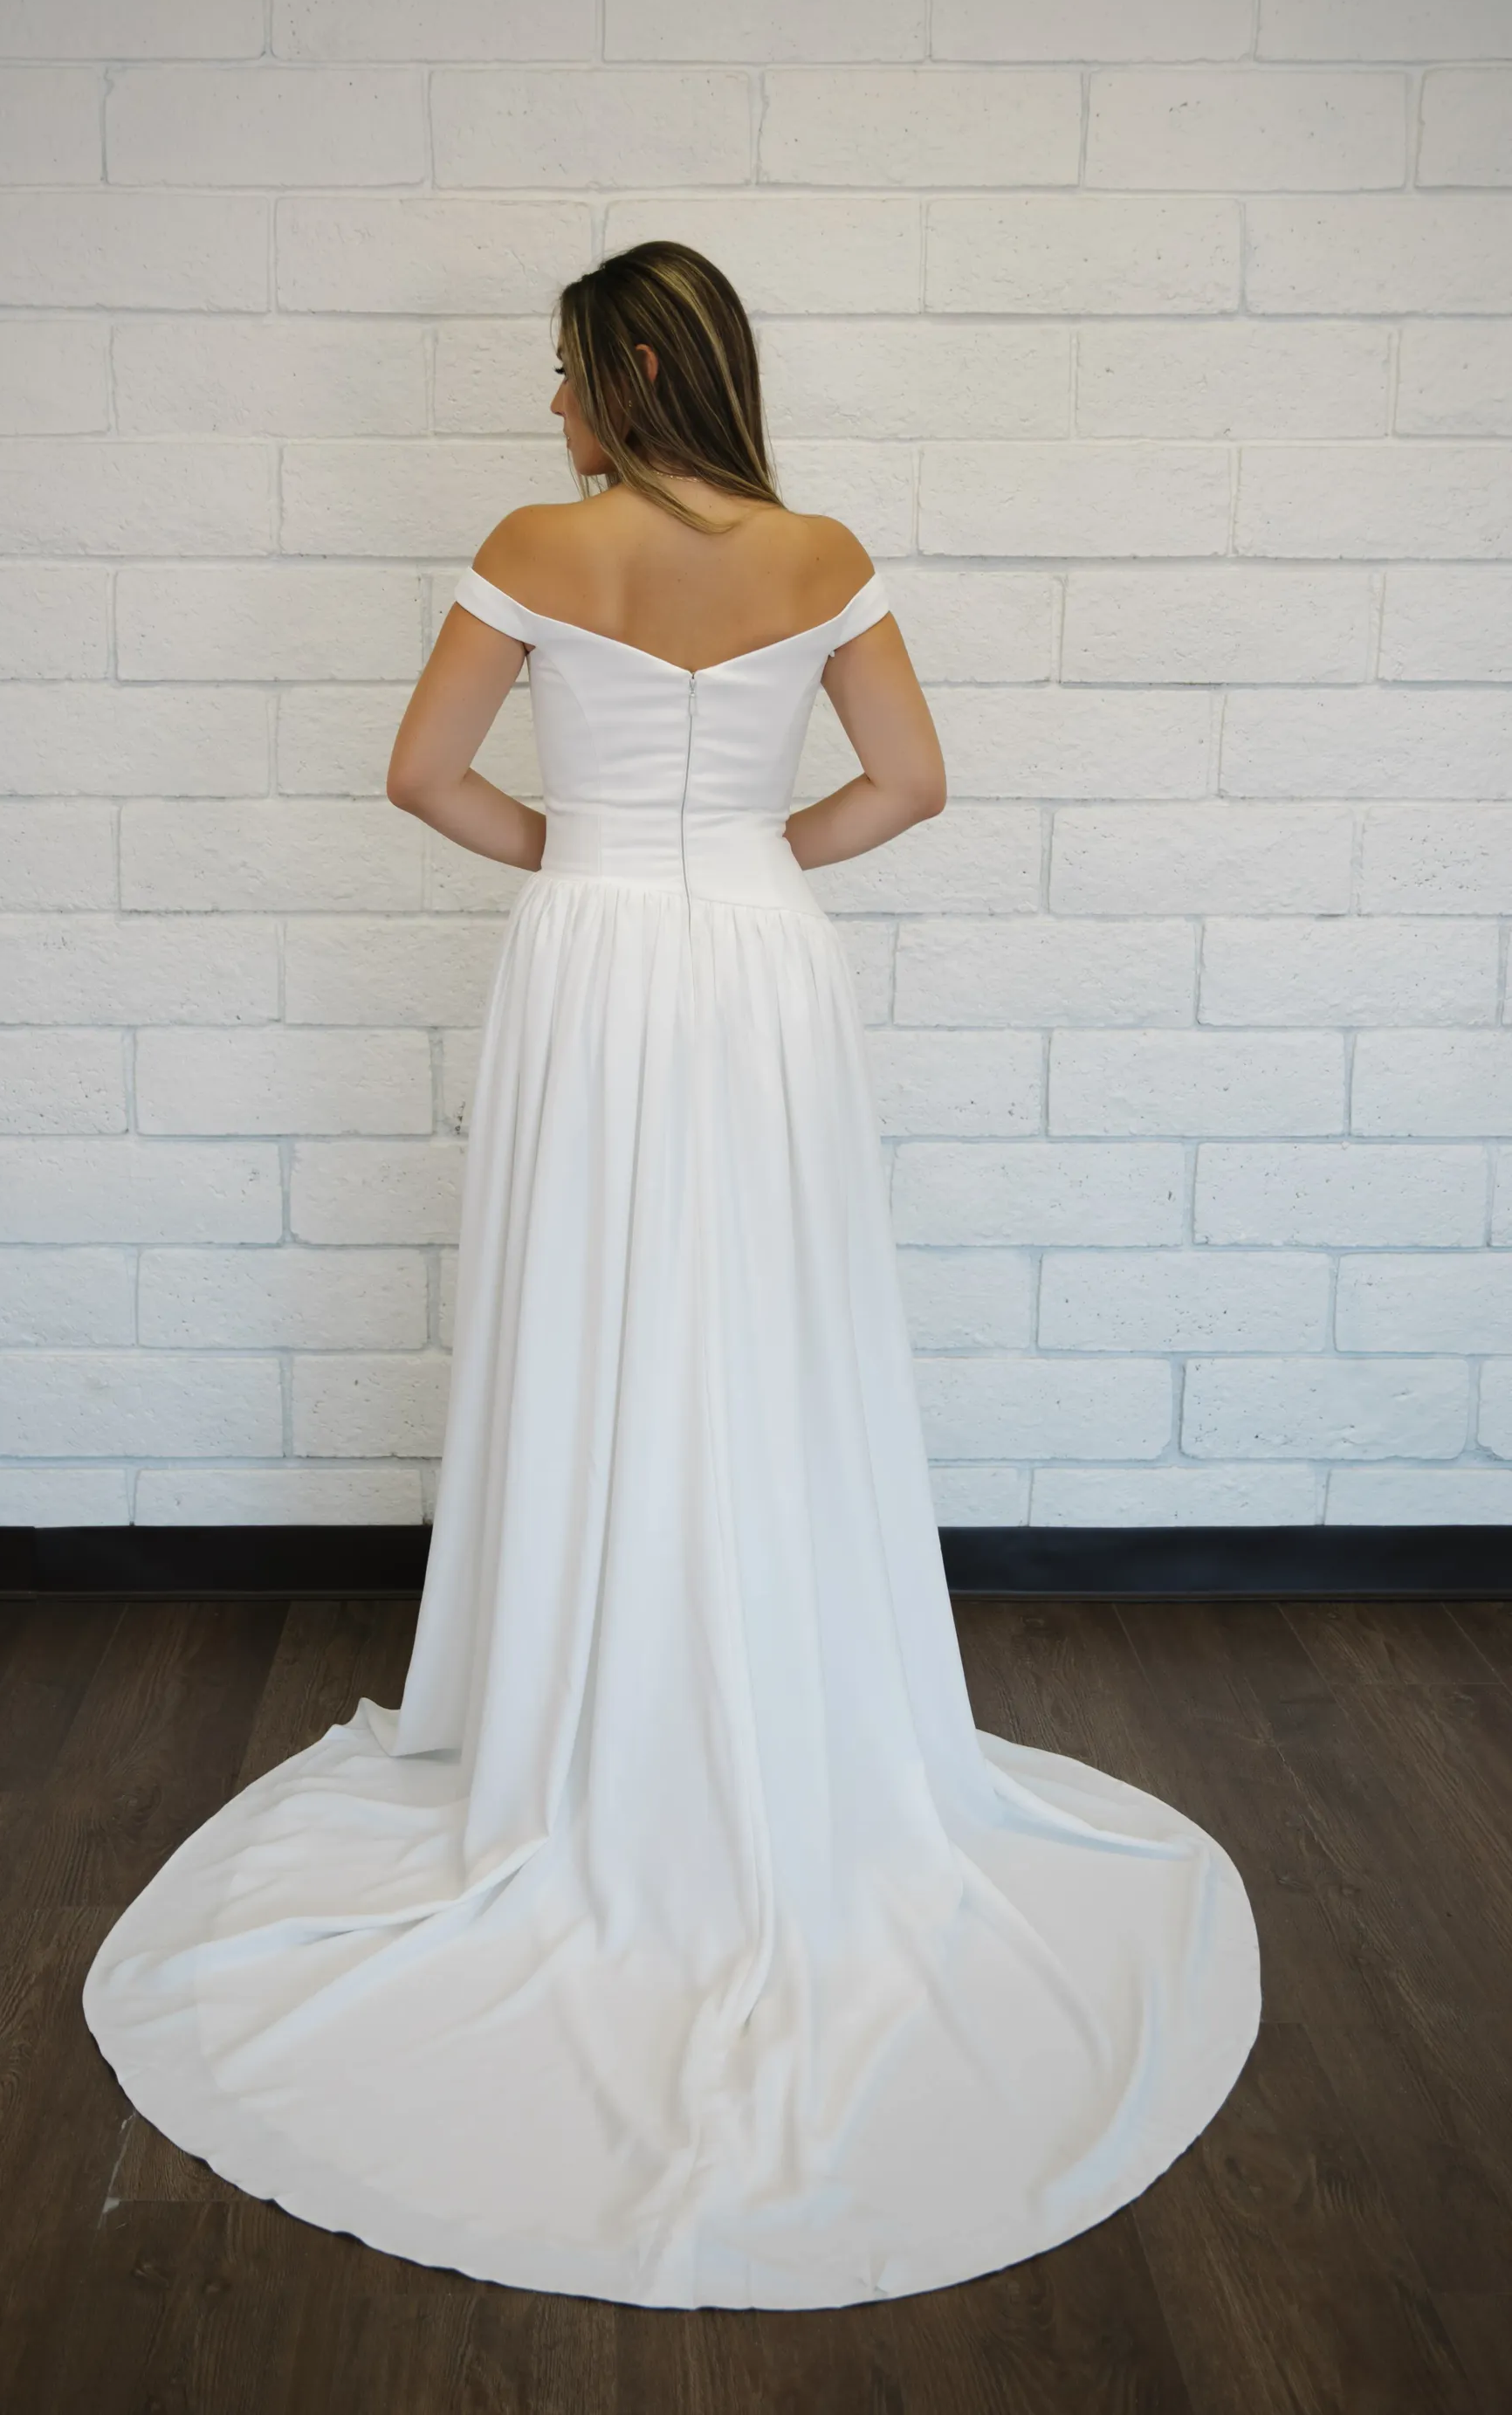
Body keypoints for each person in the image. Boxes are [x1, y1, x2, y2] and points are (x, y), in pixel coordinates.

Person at [83, 239, 1259, 2311]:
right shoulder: (824, 554)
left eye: (562, 372)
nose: (548, 409)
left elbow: (420, 774)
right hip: (760, 969)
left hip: (598, 958)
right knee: (764, 1326)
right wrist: (747, 861)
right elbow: (911, 781)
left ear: (631, 367)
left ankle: (586, 1695)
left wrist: (593, 858)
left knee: (594, 1318)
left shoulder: (537, 545)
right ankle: (773, 1689)